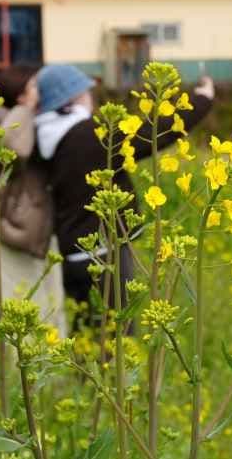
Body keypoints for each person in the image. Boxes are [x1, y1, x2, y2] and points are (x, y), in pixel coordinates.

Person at [32, 64, 215, 321]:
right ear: (72, 98)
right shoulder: (91, 135)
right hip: (105, 250)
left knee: (84, 334)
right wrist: (203, 99)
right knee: (116, 335)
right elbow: (156, 132)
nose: (91, 98)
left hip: (68, 251)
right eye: (86, 92)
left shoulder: (41, 137)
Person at [0, 64, 67, 336]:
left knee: (52, 310)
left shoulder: (29, 121)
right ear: (20, 95)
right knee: (22, 311)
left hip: (36, 231)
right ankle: (24, 376)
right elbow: (16, 149)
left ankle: (56, 375)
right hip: (11, 230)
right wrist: (26, 108)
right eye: (34, 88)